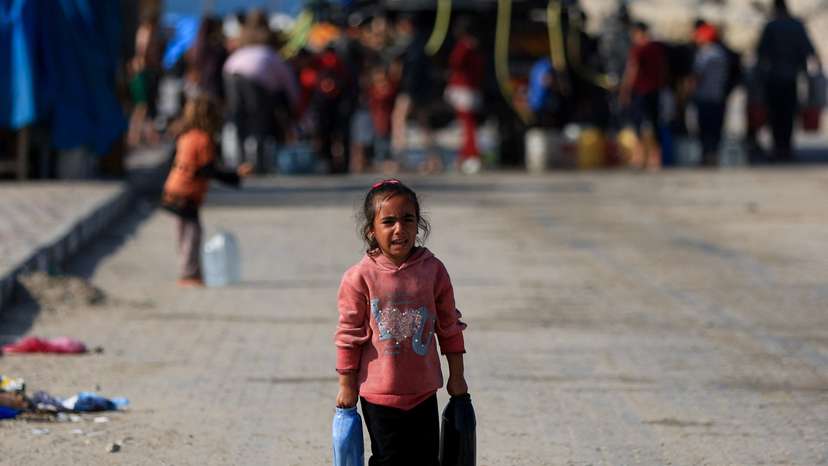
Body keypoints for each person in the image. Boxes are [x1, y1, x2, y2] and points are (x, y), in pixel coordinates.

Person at [334, 179, 469, 466]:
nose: (400, 229)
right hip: (378, 394)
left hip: (423, 392)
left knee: (426, 460)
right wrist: (347, 385)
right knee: (389, 460)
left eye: (408, 219)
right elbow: (349, 335)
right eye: (389, 221)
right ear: (372, 229)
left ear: (418, 224)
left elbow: (449, 327)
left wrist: (456, 377)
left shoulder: (433, 271)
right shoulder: (359, 277)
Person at [161, 96, 252, 287]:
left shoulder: (185, 136)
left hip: (173, 188)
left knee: (183, 230)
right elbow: (208, 170)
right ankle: (189, 273)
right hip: (187, 192)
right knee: (193, 233)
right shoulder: (203, 139)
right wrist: (236, 175)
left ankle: (188, 270)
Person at [756, 0, 822, 162]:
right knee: (788, 113)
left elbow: (761, 53)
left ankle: (778, 147)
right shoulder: (797, 26)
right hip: (792, 77)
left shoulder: (771, 27)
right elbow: (810, 50)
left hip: (773, 78)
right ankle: (785, 147)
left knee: (775, 114)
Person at [620, 21, 667, 170]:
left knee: (638, 123)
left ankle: (639, 157)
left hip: (640, 91)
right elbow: (663, 69)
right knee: (654, 122)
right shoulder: (656, 48)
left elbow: (632, 70)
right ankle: (656, 157)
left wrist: (625, 90)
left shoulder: (638, 49)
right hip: (655, 91)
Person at [445, 17, 485, 174]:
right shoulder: (475, 47)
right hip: (471, 88)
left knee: (467, 126)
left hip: (463, 89)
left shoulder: (464, 46)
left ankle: (471, 155)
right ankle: (466, 155)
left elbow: (455, 63)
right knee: (468, 125)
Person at [690, 24, 729, 166]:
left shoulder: (704, 53)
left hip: (705, 96)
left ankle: (706, 155)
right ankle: (714, 155)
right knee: (715, 128)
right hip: (718, 96)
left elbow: (698, 75)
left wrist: (690, 90)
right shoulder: (721, 52)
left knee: (704, 128)